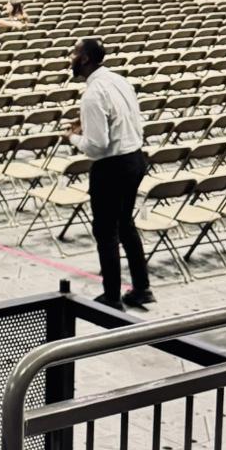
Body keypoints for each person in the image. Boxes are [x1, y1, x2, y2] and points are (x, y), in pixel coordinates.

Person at [68, 37, 152, 310]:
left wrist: (72, 138)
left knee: (106, 231)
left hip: (112, 167)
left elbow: (97, 146)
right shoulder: (119, 80)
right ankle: (141, 288)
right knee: (125, 224)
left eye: (74, 54)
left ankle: (112, 297)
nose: (70, 58)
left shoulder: (92, 94)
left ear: (85, 59)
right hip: (135, 158)